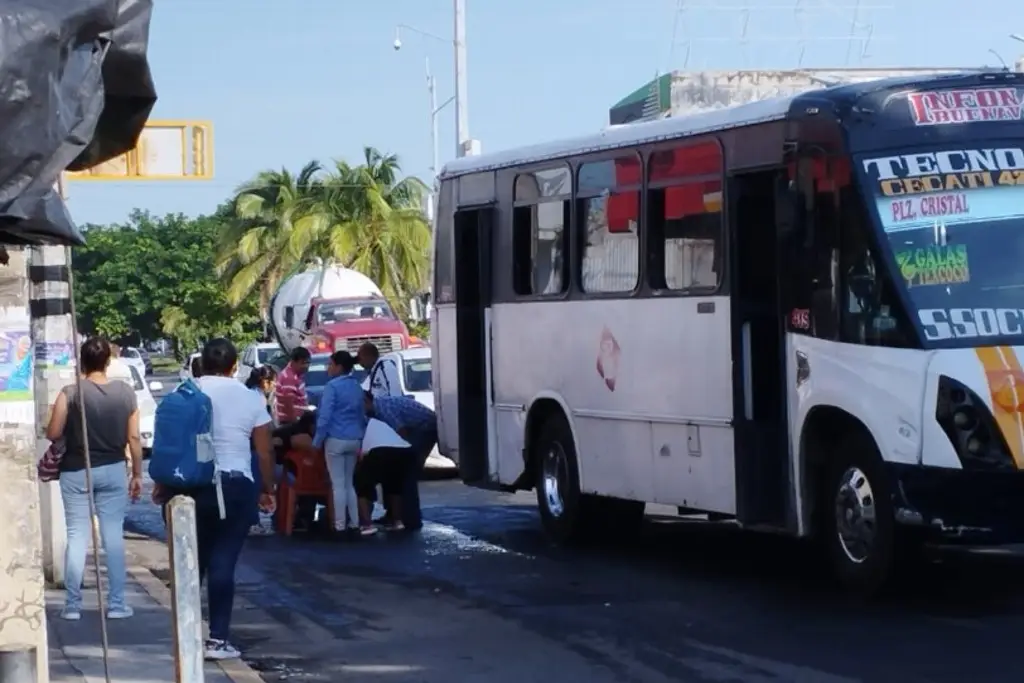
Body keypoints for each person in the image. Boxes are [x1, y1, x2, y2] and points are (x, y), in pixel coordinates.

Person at [153, 338, 276, 661]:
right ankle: (218, 639)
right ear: (235, 366)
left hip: (189, 485)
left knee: (191, 562)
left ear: (202, 363)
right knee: (223, 562)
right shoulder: (251, 398)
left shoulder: (185, 392)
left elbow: (172, 441)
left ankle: (187, 634)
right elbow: (263, 450)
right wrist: (267, 489)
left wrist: (162, 484)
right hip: (235, 486)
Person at [46, 337, 143, 621]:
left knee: (77, 537)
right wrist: (137, 473)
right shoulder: (126, 393)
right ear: (108, 361)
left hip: (76, 470)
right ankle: (116, 604)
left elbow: (53, 433)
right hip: (113, 469)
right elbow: (134, 437)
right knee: (112, 538)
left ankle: (73, 606)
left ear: (82, 361)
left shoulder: (70, 393)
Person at [313, 351, 371, 536]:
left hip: (335, 439)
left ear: (338, 366)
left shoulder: (332, 387)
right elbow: (362, 415)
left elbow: (324, 417)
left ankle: (340, 525)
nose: (328, 368)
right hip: (354, 439)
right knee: (349, 483)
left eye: (330, 364)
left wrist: (317, 441)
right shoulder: (356, 386)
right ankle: (354, 523)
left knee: (338, 484)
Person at [364, 393, 438, 531]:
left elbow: (401, 431)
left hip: (424, 427)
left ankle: (410, 518)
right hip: (417, 427)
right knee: (396, 468)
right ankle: (394, 515)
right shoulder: (375, 408)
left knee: (407, 470)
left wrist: (402, 453)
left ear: (367, 401)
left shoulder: (383, 408)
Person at [354, 413, 415, 532]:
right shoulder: (377, 423)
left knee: (361, 485)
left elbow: (360, 452)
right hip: (405, 450)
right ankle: (397, 521)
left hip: (379, 451)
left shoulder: (354, 424)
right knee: (394, 486)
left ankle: (367, 524)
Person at [246, 365, 278, 536]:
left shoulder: (248, 393)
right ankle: (253, 522)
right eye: (273, 382)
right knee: (255, 484)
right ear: (264, 382)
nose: (274, 386)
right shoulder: (257, 398)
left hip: (247, 445)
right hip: (253, 446)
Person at [275, 347, 311, 424]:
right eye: (303, 363)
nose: (306, 366)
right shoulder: (289, 378)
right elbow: (288, 405)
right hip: (291, 423)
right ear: (293, 362)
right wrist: (295, 424)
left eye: (308, 363)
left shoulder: (295, 375)